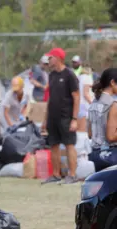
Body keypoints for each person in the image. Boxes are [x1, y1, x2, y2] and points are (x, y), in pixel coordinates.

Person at [41, 47, 80, 185]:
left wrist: (74, 119)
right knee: (54, 145)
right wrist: (45, 119)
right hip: (53, 117)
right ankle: (56, 175)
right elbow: (50, 98)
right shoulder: (52, 75)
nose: (48, 60)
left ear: (57, 58)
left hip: (66, 117)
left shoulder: (69, 75)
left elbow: (76, 97)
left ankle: (73, 175)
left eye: (50, 58)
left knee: (69, 145)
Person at [87, 68, 117, 171]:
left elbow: (90, 134)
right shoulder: (113, 104)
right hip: (110, 155)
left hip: (95, 155)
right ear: (113, 82)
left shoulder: (93, 104)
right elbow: (111, 137)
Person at [77, 66, 94, 132]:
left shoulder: (78, 77)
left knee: (77, 130)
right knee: (82, 130)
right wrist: (92, 103)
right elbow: (86, 93)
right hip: (84, 105)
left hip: (77, 104)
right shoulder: (88, 78)